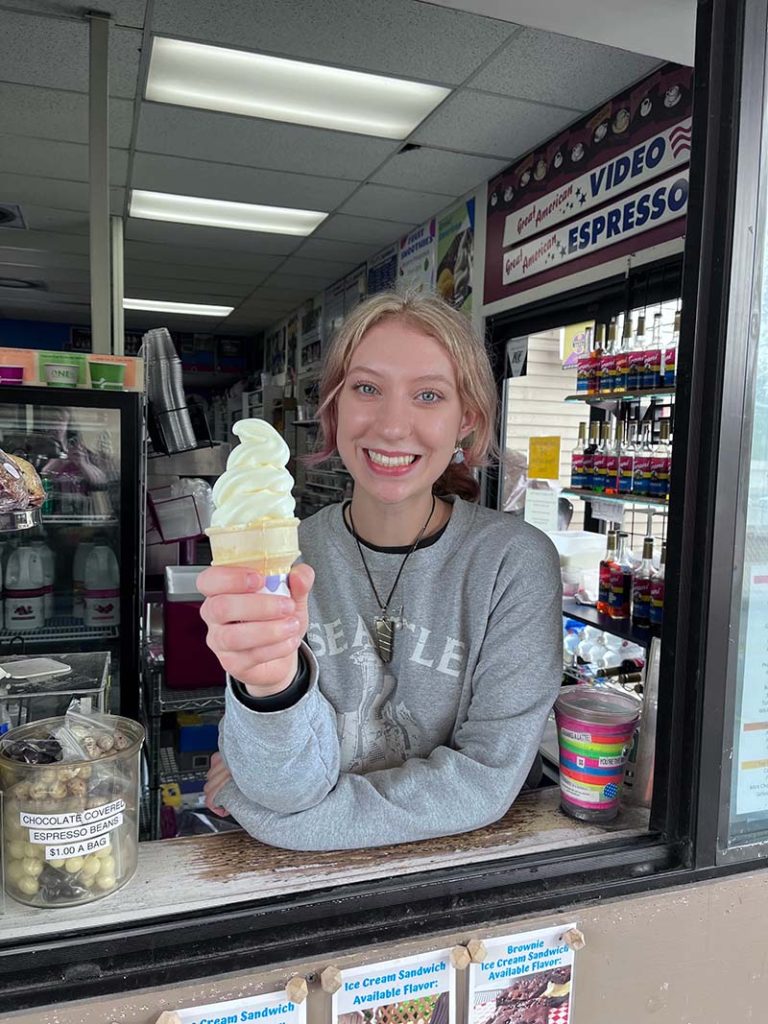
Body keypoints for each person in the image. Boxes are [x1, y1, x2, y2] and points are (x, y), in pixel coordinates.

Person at [198, 291, 562, 851]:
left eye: (428, 396)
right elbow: (284, 784)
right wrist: (269, 690)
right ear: (335, 406)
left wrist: (262, 810)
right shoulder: (279, 559)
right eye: (367, 388)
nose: (394, 426)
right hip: (309, 892)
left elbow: (485, 784)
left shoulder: (512, 564)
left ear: (466, 418)